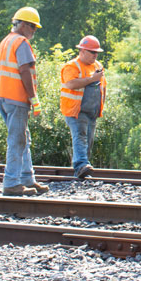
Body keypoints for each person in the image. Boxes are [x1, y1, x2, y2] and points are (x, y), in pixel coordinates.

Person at [0, 6, 48, 196]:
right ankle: (12, 182)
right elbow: (25, 71)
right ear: (22, 24)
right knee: (17, 140)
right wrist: (33, 98)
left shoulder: (6, 41)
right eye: (32, 26)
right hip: (16, 98)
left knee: (23, 138)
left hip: (3, 97)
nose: (33, 31)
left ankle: (26, 179)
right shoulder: (21, 42)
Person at [60, 35, 107, 179]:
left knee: (88, 140)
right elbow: (71, 84)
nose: (95, 55)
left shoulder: (97, 66)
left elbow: (102, 86)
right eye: (92, 52)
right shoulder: (72, 66)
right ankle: (81, 165)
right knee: (80, 137)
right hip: (76, 110)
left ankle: (82, 169)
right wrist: (91, 79)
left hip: (91, 111)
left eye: (96, 52)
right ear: (82, 51)